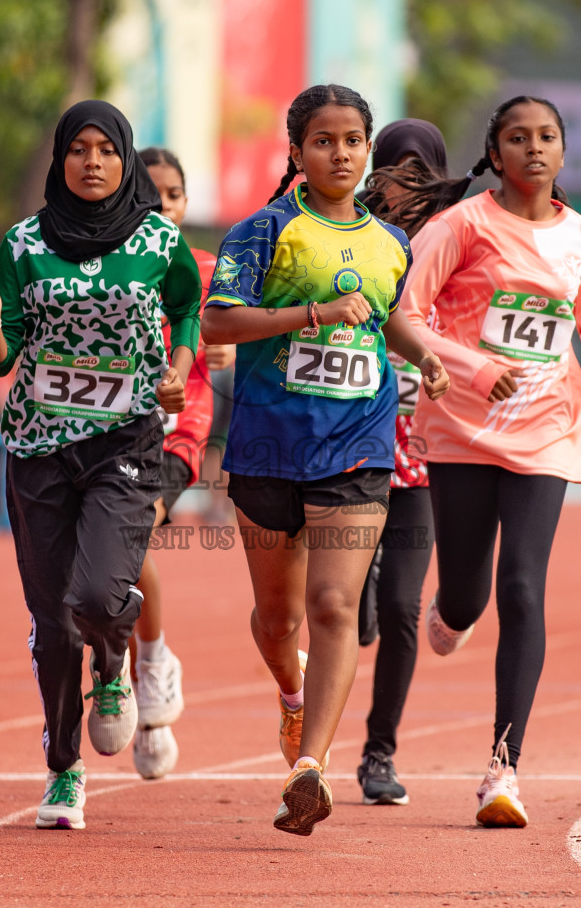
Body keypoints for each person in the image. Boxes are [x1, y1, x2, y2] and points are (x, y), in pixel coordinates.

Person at [201, 84, 449, 836]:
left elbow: (389, 316)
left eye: (351, 141)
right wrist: (310, 313)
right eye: (323, 141)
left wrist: (426, 358)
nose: (339, 153)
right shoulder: (264, 232)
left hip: (358, 448)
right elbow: (219, 318)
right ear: (298, 152)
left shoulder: (391, 243)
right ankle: (291, 690)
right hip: (270, 447)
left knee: (335, 606)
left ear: (365, 150)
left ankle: (310, 771)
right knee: (278, 619)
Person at [393, 95, 581, 828]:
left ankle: (504, 769)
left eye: (547, 137)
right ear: (494, 155)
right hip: (464, 426)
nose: (534, 148)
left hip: (548, 428)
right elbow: (403, 316)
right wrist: (466, 366)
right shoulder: (458, 226)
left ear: (562, 154)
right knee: (469, 595)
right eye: (517, 138)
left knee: (522, 587)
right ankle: (451, 608)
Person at [0, 100, 202, 831]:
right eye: (78, 149)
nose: (92, 161)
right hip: (39, 445)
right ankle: (64, 773)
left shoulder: (161, 241)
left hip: (124, 442)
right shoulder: (25, 242)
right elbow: (2, 359)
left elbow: (189, 308)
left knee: (100, 595)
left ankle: (116, 662)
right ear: (61, 159)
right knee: (51, 619)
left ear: (125, 159)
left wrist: (182, 364)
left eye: (105, 149)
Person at [348, 118, 452, 807]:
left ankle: (378, 753)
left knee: (403, 609)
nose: (407, 184)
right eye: (396, 168)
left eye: (423, 171)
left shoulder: (459, 242)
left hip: (424, 462)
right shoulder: (347, 235)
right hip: (347, 451)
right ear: (375, 173)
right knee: (345, 612)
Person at [126, 145, 235, 780]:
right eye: (145, 194)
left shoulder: (206, 268)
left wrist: (219, 350)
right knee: (104, 568)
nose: (158, 205)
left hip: (178, 434)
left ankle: (152, 660)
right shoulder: (107, 270)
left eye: (169, 195)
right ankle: (134, 676)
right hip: (107, 432)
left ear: (185, 203)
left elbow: (235, 326)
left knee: (134, 532)